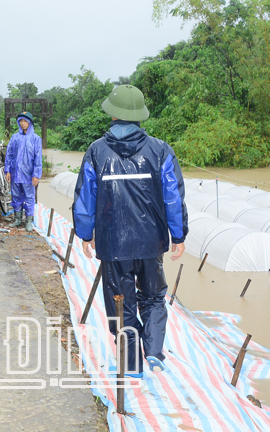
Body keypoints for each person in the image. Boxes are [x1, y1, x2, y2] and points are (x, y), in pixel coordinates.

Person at [72, 85, 188, 378]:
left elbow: (86, 197)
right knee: (153, 296)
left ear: (112, 116)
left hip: (113, 243)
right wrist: (178, 235)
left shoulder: (96, 152)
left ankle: (132, 364)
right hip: (151, 242)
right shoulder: (160, 150)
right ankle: (154, 351)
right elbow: (173, 195)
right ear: (139, 118)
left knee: (121, 302)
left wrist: (85, 234)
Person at [5, 111, 42, 230]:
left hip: (28, 174)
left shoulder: (36, 139)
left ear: (30, 123)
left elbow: (38, 157)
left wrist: (36, 175)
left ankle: (29, 221)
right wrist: (8, 171)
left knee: (29, 196)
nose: (22, 123)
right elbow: (9, 155)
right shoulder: (15, 137)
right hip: (15, 173)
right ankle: (17, 219)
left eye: (25, 121)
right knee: (15, 196)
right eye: (21, 121)